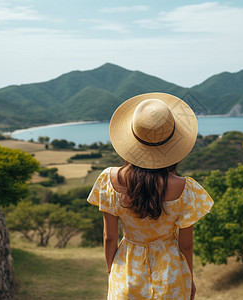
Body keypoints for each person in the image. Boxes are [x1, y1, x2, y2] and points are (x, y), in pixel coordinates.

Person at [87, 92, 214, 300]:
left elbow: (110, 237)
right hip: (171, 276)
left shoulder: (108, 180)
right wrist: (189, 278)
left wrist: (112, 271)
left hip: (127, 272)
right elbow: (186, 245)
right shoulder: (185, 189)